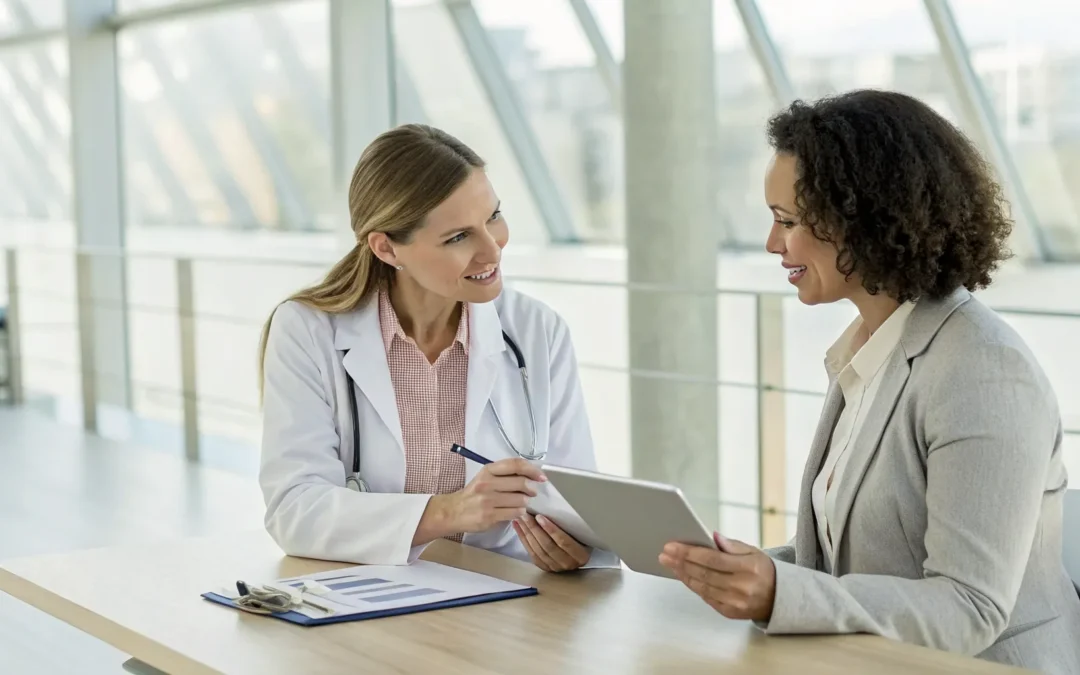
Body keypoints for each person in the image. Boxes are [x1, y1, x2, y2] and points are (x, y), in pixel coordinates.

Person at [658, 90, 1080, 672]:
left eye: (787, 221)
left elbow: (970, 605)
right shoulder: (870, 352)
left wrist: (781, 592)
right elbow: (861, 564)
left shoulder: (985, 373)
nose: (772, 243)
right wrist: (749, 569)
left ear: (863, 220)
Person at [258, 123, 616, 572]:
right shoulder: (308, 330)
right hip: (369, 595)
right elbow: (295, 510)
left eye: (493, 217)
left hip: (505, 601)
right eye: (458, 237)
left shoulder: (537, 330)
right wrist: (450, 511)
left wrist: (575, 551)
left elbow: (578, 503)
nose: (493, 250)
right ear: (387, 249)